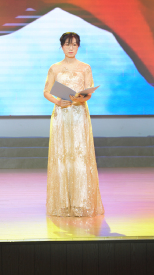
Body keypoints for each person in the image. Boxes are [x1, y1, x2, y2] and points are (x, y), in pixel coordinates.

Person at [43, 32, 104, 217]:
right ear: (62, 46)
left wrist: (81, 98)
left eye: (74, 44)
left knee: (79, 156)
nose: (71, 48)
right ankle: (62, 204)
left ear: (78, 46)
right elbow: (46, 91)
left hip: (79, 115)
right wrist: (57, 101)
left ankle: (81, 203)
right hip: (61, 114)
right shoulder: (54, 68)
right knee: (62, 156)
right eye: (67, 44)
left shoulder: (85, 67)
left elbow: (88, 93)